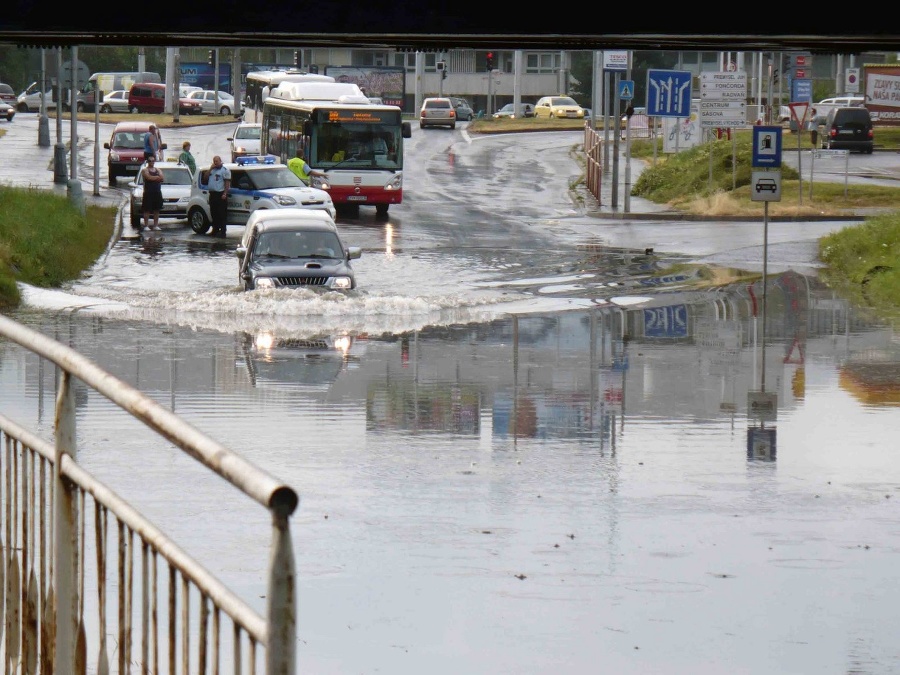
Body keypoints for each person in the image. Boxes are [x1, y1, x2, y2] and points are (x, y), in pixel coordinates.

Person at [206, 155, 231, 238]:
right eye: (214, 161)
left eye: (217, 161)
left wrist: (225, 193)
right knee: (214, 213)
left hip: (220, 194)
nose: (215, 163)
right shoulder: (212, 170)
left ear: (220, 161)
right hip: (212, 194)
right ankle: (215, 229)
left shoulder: (224, 170)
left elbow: (227, 183)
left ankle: (223, 231)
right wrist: (210, 169)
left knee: (222, 214)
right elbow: (205, 178)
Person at [139, 156, 164, 232]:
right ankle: (146, 225)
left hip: (157, 192)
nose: (152, 162)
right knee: (147, 209)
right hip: (148, 192)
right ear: (147, 162)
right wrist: (157, 177)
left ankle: (155, 225)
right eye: (150, 161)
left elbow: (162, 178)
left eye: (153, 161)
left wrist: (154, 177)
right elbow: (148, 177)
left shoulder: (158, 170)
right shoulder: (144, 170)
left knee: (156, 209)